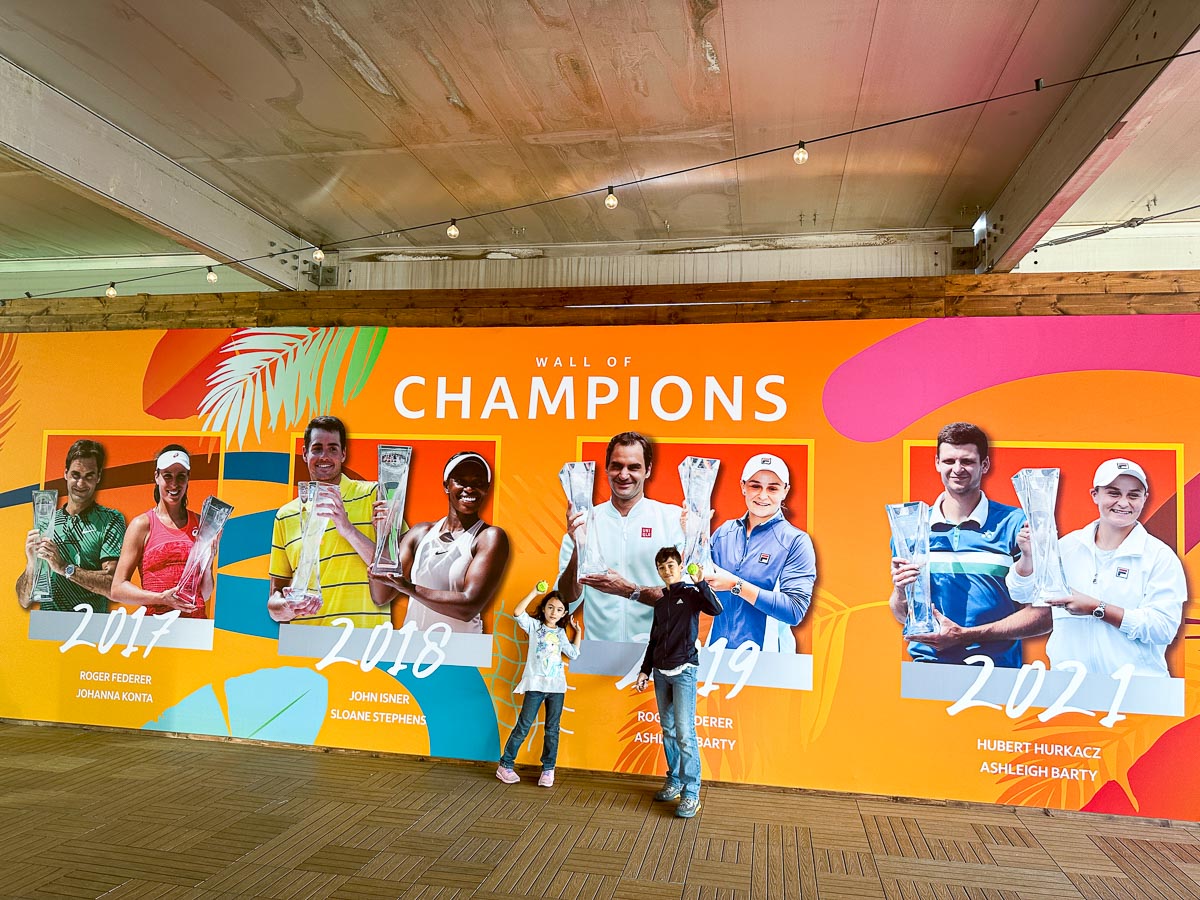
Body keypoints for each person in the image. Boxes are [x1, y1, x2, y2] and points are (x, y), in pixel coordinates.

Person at [888, 422, 1049, 666]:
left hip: (997, 670)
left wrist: (966, 636)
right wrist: (901, 591)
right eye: (949, 461)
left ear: (984, 465)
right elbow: (903, 614)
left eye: (967, 461)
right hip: (927, 667)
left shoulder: (1016, 524)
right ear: (937, 463)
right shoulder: (913, 529)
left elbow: (1043, 616)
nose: (957, 469)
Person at [1008, 458, 1186, 677]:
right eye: (1113, 493)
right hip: (1070, 688)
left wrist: (1097, 608)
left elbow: (1162, 629)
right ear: (1095, 495)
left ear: (1144, 498)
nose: (1123, 503)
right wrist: (1028, 557)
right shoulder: (1067, 547)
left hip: (1136, 691)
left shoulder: (1159, 557)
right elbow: (1023, 594)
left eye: (1133, 495)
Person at [556, 432, 684, 643]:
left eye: (633, 467)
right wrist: (580, 546)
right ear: (606, 469)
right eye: (616, 466)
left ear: (648, 470)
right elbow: (567, 600)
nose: (623, 475)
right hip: (600, 654)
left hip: (659, 654)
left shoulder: (672, 520)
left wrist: (630, 590)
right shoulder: (583, 522)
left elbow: (685, 599)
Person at [269, 416, 391, 626]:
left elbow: (392, 572)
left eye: (333, 449)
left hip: (365, 642)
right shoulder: (285, 514)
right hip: (304, 645)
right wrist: (288, 608)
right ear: (305, 453)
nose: (324, 456)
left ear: (344, 454)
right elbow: (274, 598)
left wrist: (347, 528)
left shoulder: (374, 495)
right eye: (317, 448)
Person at [376, 451, 509, 633]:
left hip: (460, 653)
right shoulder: (420, 533)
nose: (469, 488)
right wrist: (385, 534)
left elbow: (468, 607)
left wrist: (408, 588)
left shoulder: (490, 537)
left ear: (486, 488)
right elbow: (381, 595)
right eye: (461, 481)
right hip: (412, 649)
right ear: (446, 486)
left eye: (477, 482)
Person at [635, 546, 723, 819]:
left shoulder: (692, 594)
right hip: (661, 673)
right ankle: (674, 780)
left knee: (685, 734)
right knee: (669, 730)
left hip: (684, 671)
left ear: (681, 565)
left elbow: (716, 609)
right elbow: (654, 640)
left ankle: (691, 793)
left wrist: (701, 583)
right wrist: (644, 671)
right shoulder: (660, 603)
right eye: (662, 567)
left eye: (671, 565)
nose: (667, 571)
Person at [703, 453, 815, 652]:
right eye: (755, 486)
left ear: (785, 491)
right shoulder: (724, 533)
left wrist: (734, 585)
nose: (763, 496)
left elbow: (795, 610)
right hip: (716, 655)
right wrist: (692, 534)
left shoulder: (796, 541)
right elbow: (693, 580)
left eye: (772, 488)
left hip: (770, 661)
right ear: (743, 486)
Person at [16, 439, 126, 613]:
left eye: (89, 476)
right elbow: (24, 600)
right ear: (66, 474)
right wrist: (32, 564)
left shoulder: (110, 520)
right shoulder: (48, 521)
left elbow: (113, 585)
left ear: (98, 477)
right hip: (48, 628)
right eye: (76, 475)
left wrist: (64, 567)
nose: (81, 484)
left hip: (91, 629)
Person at [111, 444, 211, 618]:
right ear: (156, 477)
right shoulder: (141, 525)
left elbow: (205, 593)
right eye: (167, 476)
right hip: (155, 631)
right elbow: (117, 589)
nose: (174, 484)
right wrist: (161, 598)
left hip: (195, 630)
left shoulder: (201, 524)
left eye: (181, 476)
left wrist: (208, 565)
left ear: (188, 479)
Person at [496, 586, 581, 787]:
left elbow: (574, 654)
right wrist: (534, 591)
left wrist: (577, 632)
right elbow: (517, 612)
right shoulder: (534, 627)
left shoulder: (560, 633)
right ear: (543, 609)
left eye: (559, 609)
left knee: (552, 730)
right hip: (535, 685)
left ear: (564, 614)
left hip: (557, 688)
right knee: (523, 726)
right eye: (550, 607)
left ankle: (548, 770)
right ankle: (505, 765)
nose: (554, 612)